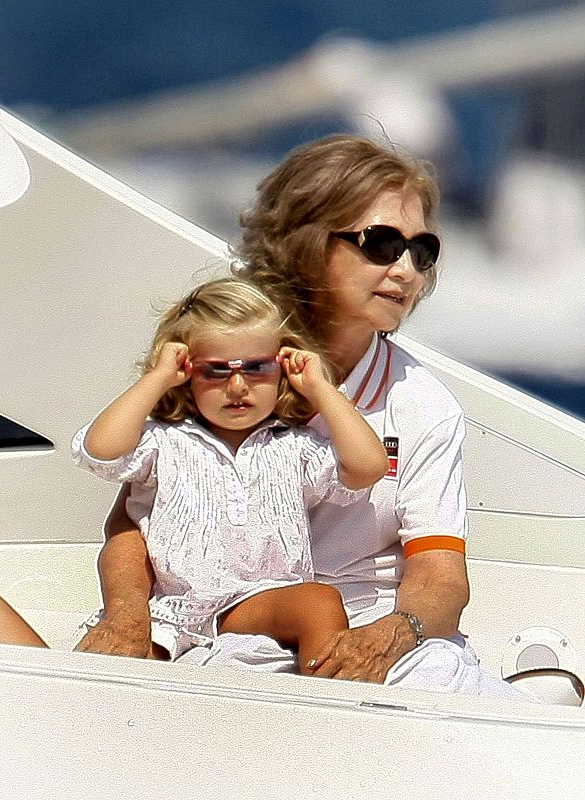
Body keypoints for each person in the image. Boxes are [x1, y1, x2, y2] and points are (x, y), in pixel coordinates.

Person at [74, 134, 522, 697]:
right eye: (380, 243)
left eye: (421, 250)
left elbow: (440, 575)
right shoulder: (230, 367)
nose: (406, 270)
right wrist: (125, 616)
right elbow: (136, 520)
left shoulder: (423, 407)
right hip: (226, 630)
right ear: (306, 242)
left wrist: (394, 634)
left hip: (367, 627)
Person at [0, 277, 389, 674]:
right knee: (109, 675)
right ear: (187, 371)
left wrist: (320, 389)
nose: (237, 385)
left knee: (317, 603)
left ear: (282, 367)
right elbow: (100, 450)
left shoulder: (295, 446)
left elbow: (369, 467)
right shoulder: (162, 441)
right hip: (171, 610)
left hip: (257, 602)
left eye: (257, 368)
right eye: (215, 371)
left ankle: (328, 711)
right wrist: (158, 377)